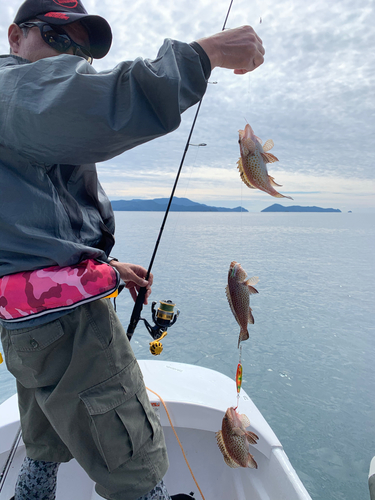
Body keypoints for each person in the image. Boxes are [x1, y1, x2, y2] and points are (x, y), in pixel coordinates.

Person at [0, 0, 265, 499]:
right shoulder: (13, 89)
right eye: (57, 39)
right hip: (69, 329)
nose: (71, 58)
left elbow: (30, 227)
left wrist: (105, 268)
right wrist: (202, 55)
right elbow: (101, 105)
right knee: (135, 465)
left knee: (44, 439)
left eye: (82, 52)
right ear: (15, 37)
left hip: (28, 321)